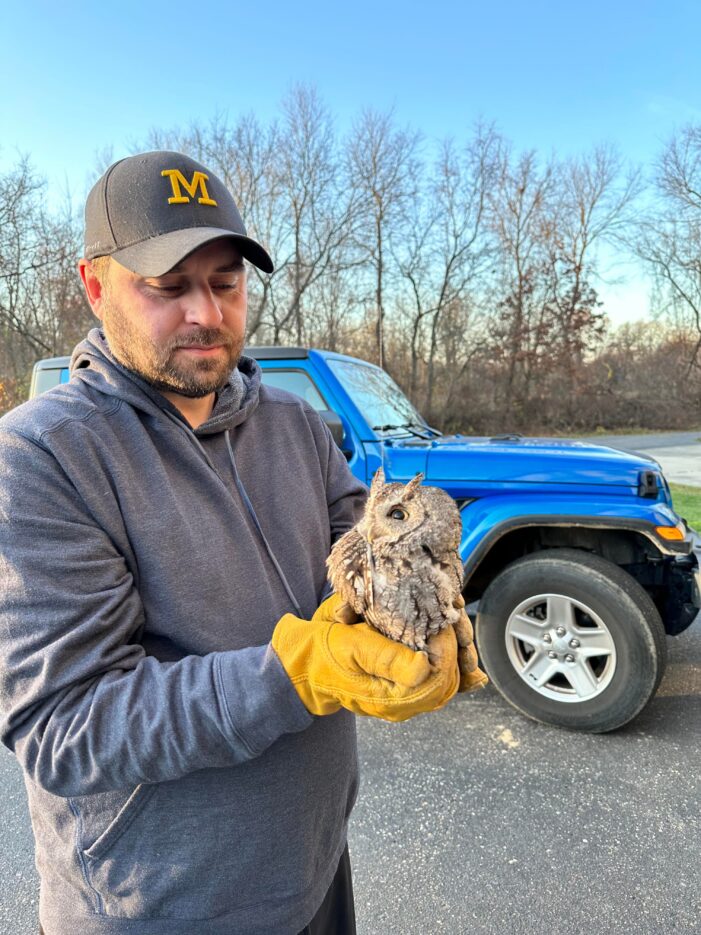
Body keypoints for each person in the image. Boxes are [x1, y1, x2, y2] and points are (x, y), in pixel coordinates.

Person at [0, 151, 465, 935]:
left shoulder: (294, 424)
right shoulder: (41, 456)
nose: (206, 313)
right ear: (94, 283)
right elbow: (66, 729)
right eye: (167, 285)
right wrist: (298, 672)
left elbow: (364, 573)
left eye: (224, 282)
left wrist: (430, 629)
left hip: (313, 869)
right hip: (159, 909)